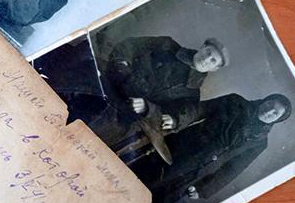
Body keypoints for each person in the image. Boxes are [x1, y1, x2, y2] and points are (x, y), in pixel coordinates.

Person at [112, 92, 293, 203]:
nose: (269, 111)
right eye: (270, 104)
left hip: (193, 176)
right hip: (175, 155)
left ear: (277, 120)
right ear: (265, 100)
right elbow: (200, 109)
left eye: (275, 113)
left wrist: (205, 189)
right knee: (130, 188)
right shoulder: (235, 102)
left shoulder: (259, 143)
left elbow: (234, 169)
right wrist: (176, 120)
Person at [82, 36, 229, 160]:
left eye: (213, 61)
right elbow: (130, 44)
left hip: (121, 116)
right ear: (203, 47)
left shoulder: (191, 96)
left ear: (214, 69)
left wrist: (148, 108)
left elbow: (163, 119)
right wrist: (122, 62)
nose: (206, 59)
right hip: (108, 83)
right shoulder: (167, 45)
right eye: (208, 52)